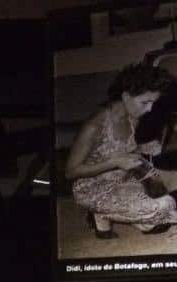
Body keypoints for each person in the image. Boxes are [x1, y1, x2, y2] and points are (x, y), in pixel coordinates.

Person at [65, 62, 177, 239]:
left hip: (125, 179)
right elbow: (70, 172)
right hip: (93, 188)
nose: (149, 109)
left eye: (152, 103)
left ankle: (142, 219)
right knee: (165, 204)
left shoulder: (133, 118)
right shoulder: (95, 125)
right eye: (145, 102)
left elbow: (127, 150)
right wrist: (114, 162)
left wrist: (145, 148)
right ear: (126, 96)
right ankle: (99, 214)